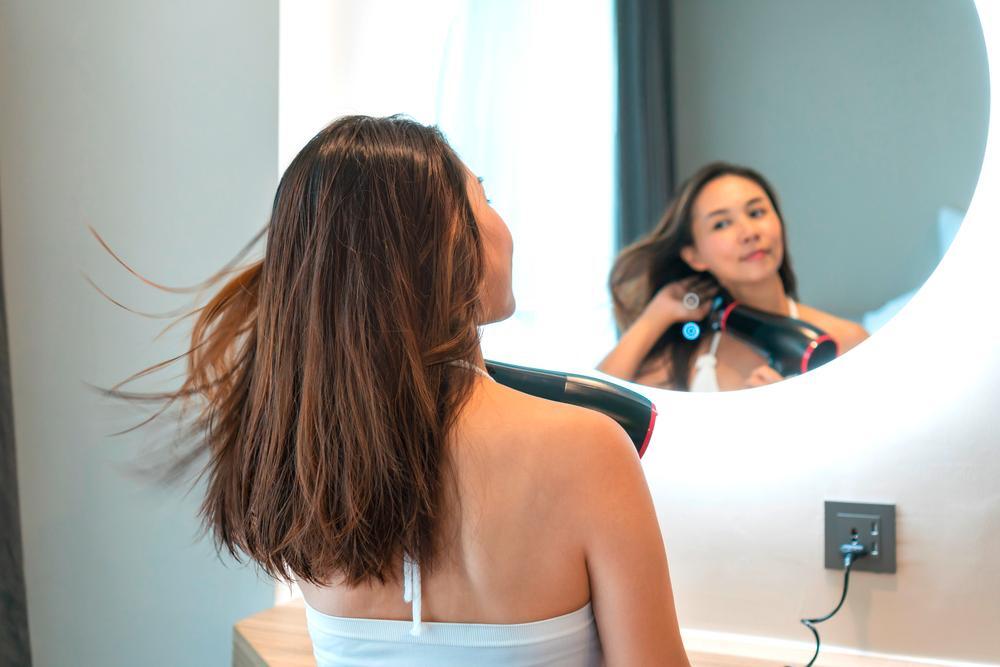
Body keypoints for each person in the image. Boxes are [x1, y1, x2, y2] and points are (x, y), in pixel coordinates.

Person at [115, 116, 690, 666]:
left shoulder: (305, 461)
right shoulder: (588, 450)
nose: (502, 223)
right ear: (443, 243)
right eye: (484, 197)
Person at [599, 162, 868, 391]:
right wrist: (655, 317)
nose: (749, 233)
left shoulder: (846, 340)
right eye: (721, 224)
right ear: (694, 256)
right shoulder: (685, 361)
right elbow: (590, 407)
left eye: (756, 212)